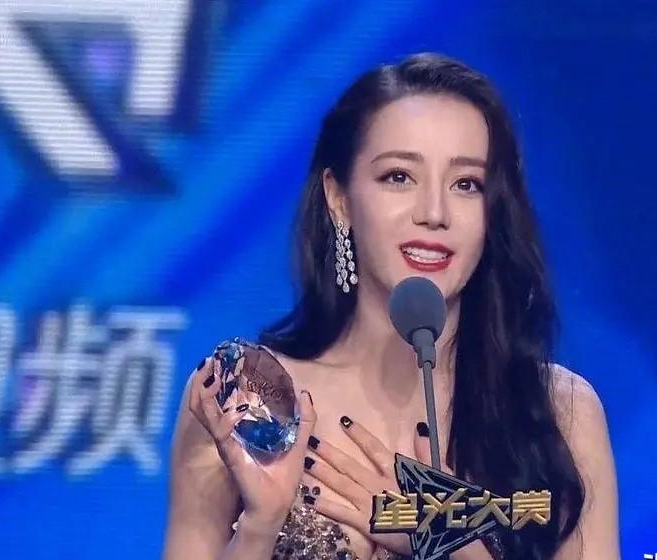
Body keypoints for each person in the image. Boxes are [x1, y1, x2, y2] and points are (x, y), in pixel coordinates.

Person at [163, 52, 620, 560]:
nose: (434, 213)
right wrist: (261, 526)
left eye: (466, 184)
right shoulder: (251, 400)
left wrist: (447, 537)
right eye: (399, 177)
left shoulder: (560, 412)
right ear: (339, 197)